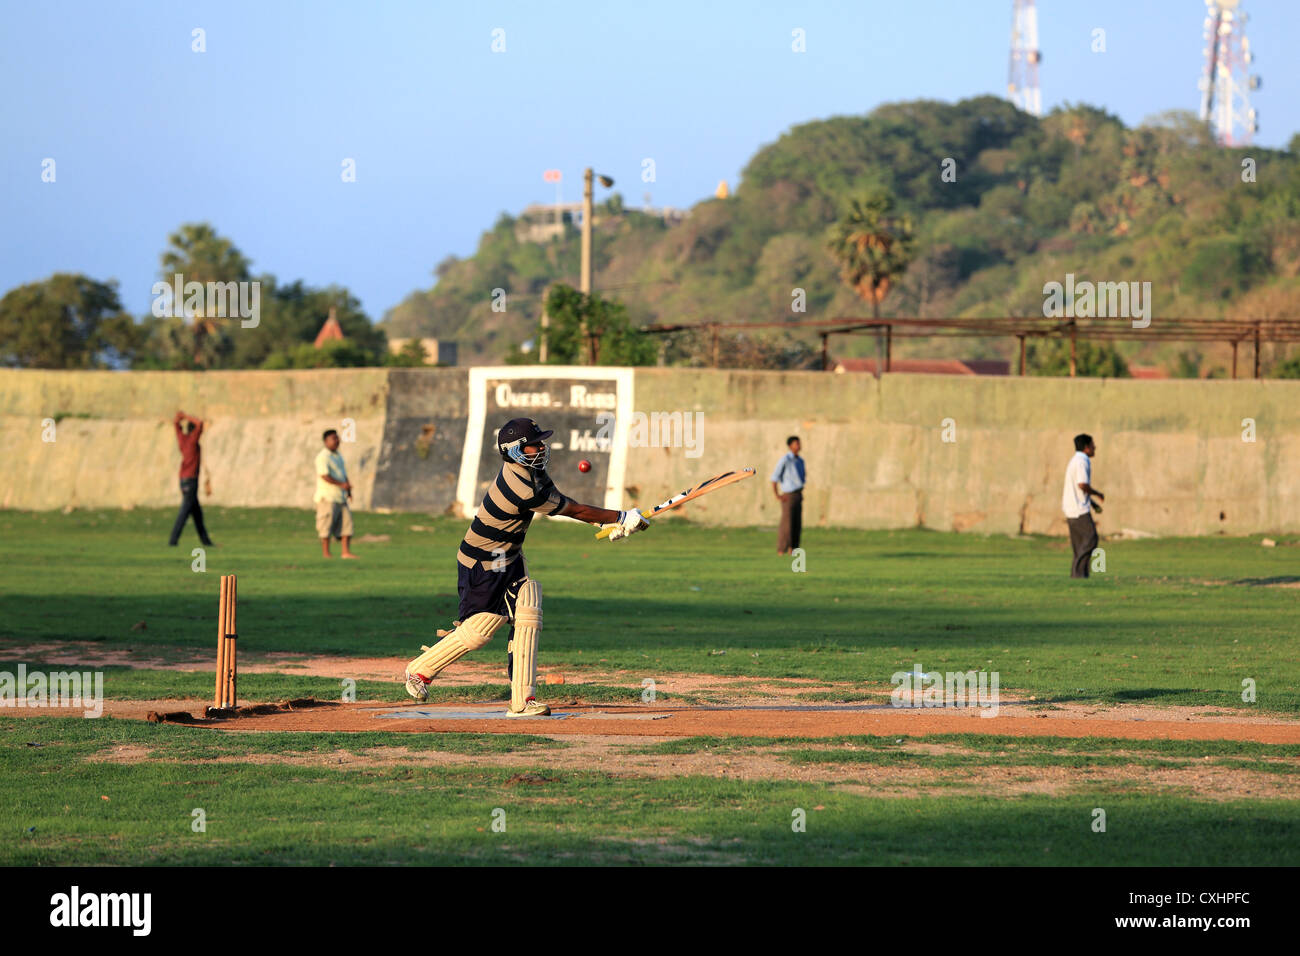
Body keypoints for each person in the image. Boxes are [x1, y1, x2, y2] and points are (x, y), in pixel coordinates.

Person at [403, 417, 648, 716]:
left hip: (509, 556)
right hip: (482, 560)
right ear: (515, 450)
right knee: (481, 629)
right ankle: (420, 670)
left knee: (528, 609)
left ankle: (522, 701)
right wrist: (620, 517)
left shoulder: (532, 470)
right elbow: (572, 509)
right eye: (535, 444)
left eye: (541, 442)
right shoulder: (520, 485)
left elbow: (568, 505)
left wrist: (610, 523)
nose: (542, 447)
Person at [168, 410, 214, 547]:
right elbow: (199, 424)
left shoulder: (182, 439)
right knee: (184, 513)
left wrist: (180, 417)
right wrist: (187, 416)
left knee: (197, 515)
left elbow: (176, 424)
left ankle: (206, 542)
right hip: (191, 481)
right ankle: (173, 541)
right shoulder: (192, 441)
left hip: (183, 480)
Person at [1063, 433, 1104, 578]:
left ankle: (1079, 576)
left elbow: (1077, 489)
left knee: (1079, 545)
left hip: (1071, 509)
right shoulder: (1082, 460)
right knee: (1091, 539)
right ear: (1086, 448)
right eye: (1093, 445)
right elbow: (1082, 485)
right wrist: (1097, 493)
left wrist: (1092, 504)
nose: (1095, 448)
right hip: (1078, 510)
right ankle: (1079, 574)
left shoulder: (1075, 460)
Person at [315, 429, 358, 559]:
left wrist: (348, 490)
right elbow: (324, 475)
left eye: (337, 438)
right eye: (334, 438)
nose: (337, 441)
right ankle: (326, 554)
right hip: (327, 497)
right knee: (326, 525)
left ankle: (345, 552)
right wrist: (341, 485)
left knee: (346, 525)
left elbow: (343, 475)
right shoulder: (323, 457)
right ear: (326, 441)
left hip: (341, 497)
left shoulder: (338, 456)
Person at [771, 435, 806, 554]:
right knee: (787, 524)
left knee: (797, 523)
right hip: (788, 495)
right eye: (796, 443)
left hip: (798, 494)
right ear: (790, 446)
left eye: (799, 443)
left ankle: (794, 549)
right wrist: (777, 495)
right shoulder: (785, 460)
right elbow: (774, 478)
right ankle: (782, 549)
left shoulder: (800, 461)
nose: (799, 446)